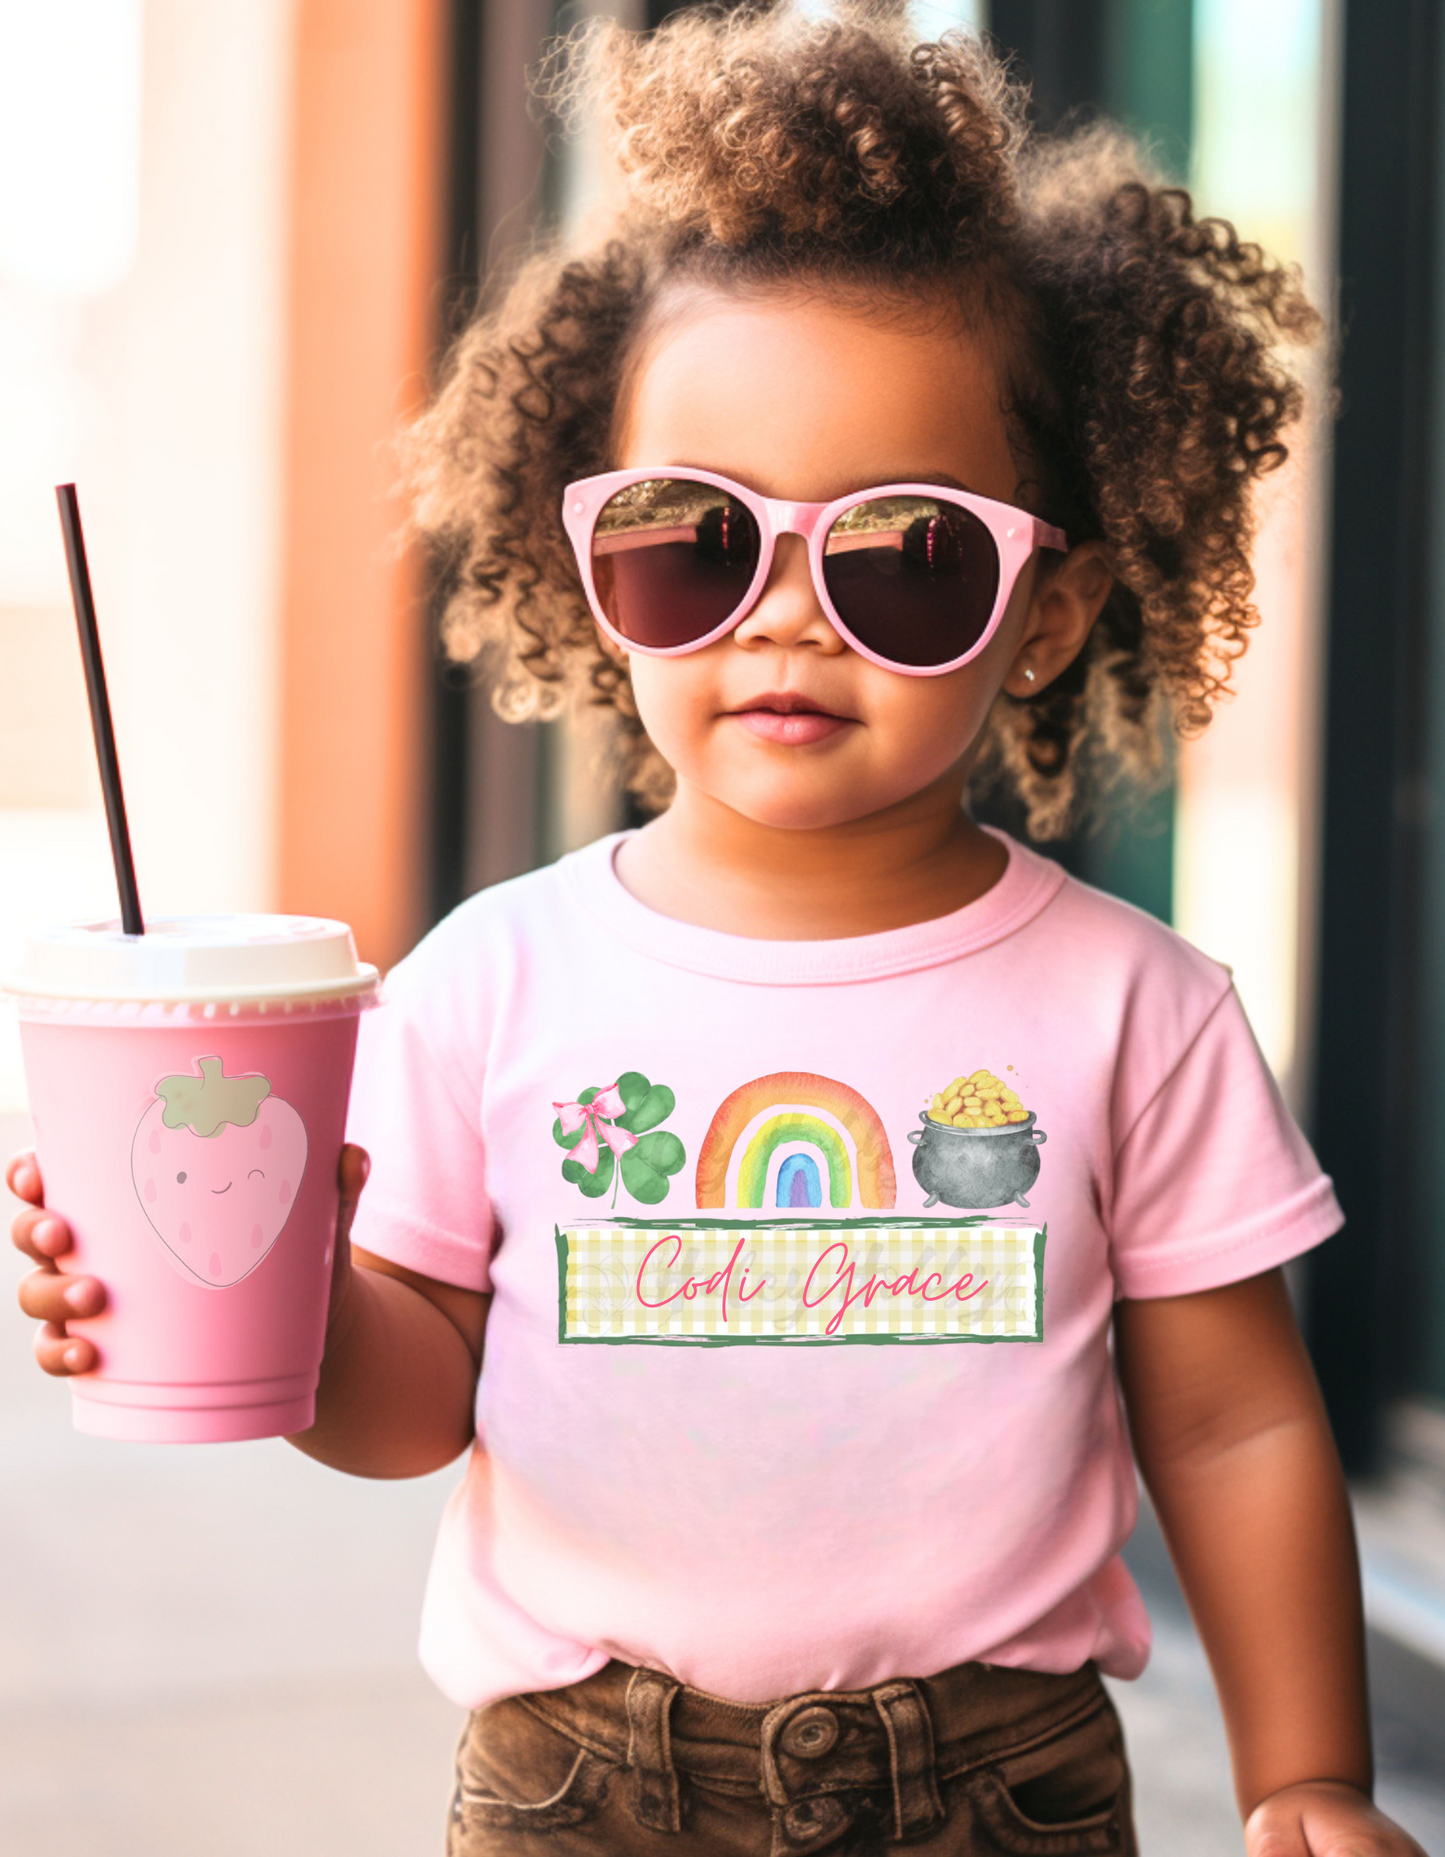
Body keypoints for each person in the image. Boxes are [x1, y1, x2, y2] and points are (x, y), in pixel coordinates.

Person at [8, 8, 1426, 1854]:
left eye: (901, 553)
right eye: (695, 541)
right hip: (582, 1788)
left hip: (998, 1793)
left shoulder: (1134, 1009)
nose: (782, 617)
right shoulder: (489, 985)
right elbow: (414, 1397)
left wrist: (1308, 1773)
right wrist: (266, 1300)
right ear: (596, 575)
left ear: (1053, 609)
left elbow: (1235, 1427)